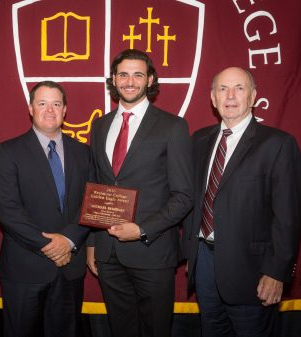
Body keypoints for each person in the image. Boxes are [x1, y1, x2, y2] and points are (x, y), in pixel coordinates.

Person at [184, 66, 301, 337]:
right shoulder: (199, 140)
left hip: (253, 271)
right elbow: (194, 202)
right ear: (213, 98)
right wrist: (191, 251)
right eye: (222, 89)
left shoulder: (278, 144)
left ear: (253, 97)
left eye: (239, 88)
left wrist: (277, 272)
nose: (230, 96)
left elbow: (289, 217)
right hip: (204, 264)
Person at [86, 49, 194, 337]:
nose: (129, 81)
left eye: (137, 74)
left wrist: (143, 229)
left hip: (152, 252)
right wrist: (93, 244)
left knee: (156, 330)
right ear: (113, 79)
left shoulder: (173, 126)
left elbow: (184, 195)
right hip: (108, 255)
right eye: (123, 74)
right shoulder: (99, 126)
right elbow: (97, 189)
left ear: (150, 80)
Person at [0, 81, 93, 337]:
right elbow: (8, 210)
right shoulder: (7, 152)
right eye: (42, 103)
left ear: (65, 110)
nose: (49, 110)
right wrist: (50, 246)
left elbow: (90, 205)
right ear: (30, 108)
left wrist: (68, 240)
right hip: (25, 268)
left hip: (70, 267)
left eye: (56, 104)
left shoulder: (84, 152)